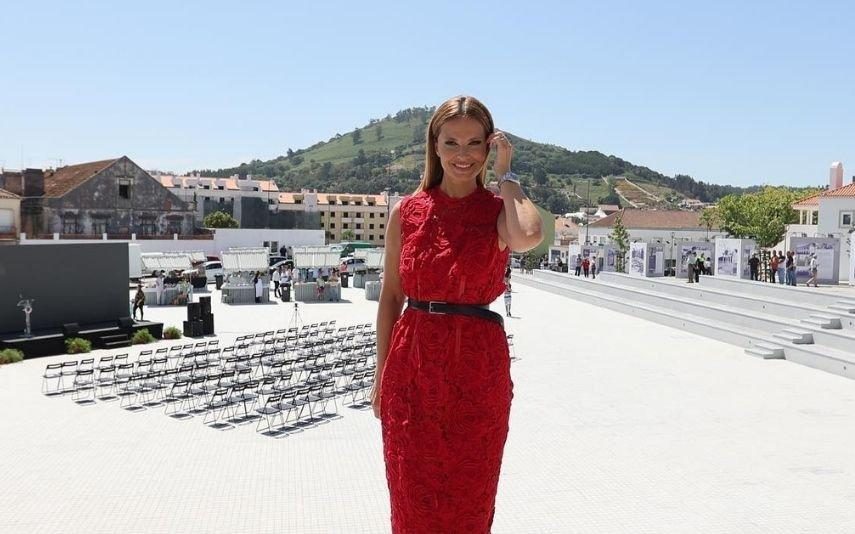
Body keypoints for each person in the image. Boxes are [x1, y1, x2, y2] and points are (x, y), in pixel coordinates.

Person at [372, 96, 542, 532]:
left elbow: (527, 236)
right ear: (435, 145)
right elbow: (391, 297)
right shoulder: (406, 213)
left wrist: (508, 176)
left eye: (474, 143)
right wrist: (380, 376)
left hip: (476, 372)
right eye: (452, 142)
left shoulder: (497, 212)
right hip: (412, 372)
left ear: (489, 147)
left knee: (469, 502)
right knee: (413, 501)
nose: (462, 154)